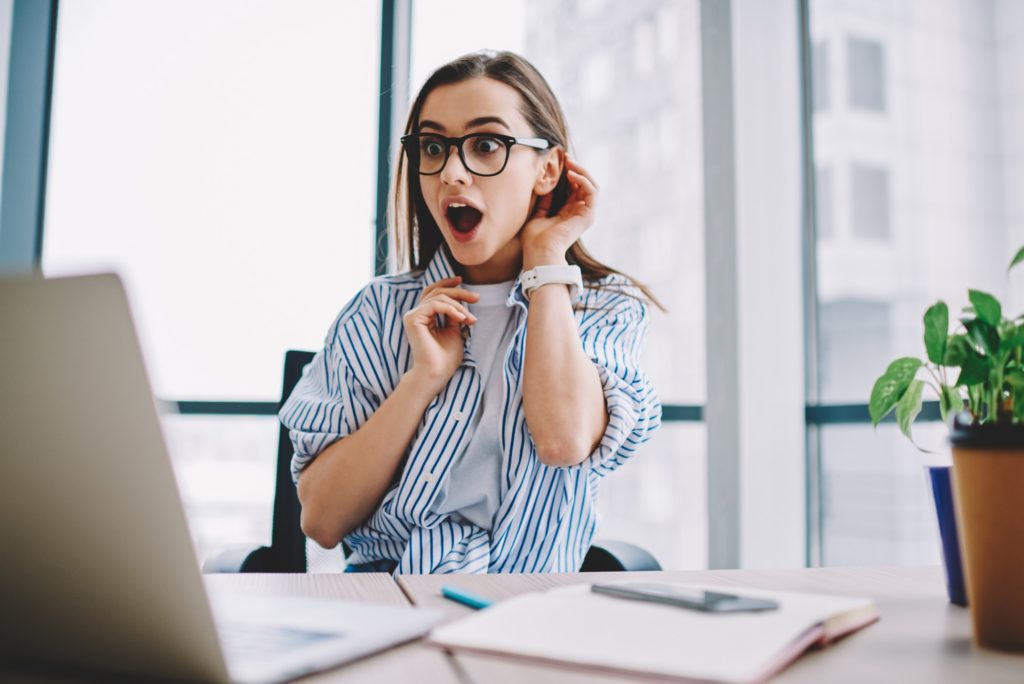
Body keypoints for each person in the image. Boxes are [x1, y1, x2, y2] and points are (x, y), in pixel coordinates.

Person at [280, 50, 663, 574]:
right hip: (384, 599)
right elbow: (322, 520)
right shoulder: (376, 312)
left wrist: (547, 258)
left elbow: (563, 440)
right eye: (433, 147)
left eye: (486, 146)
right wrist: (423, 379)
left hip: (527, 609)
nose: (452, 173)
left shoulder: (603, 307)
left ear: (547, 169)